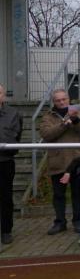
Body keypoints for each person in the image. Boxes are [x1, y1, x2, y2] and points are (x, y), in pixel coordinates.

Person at [39, 89, 80, 235]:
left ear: (68, 99)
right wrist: (64, 124)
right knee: (58, 194)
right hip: (57, 160)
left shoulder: (78, 111)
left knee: (78, 193)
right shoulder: (47, 116)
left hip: (77, 159)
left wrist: (75, 120)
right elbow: (46, 134)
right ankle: (60, 222)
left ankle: (78, 221)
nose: (61, 102)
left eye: (64, 99)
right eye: (58, 100)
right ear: (53, 102)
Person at [0, 83, 23, 245]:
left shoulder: (13, 114)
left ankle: (6, 230)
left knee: (5, 197)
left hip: (5, 161)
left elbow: (15, 136)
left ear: (3, 96)